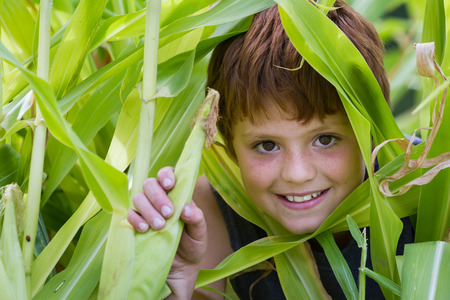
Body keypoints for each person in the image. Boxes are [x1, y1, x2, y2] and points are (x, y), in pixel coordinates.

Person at [127, 1, 413, 299]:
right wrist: (179, 281)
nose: (297, 174)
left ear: (373, 131)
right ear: (231, 147)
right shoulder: (208, 209)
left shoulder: (427, 186)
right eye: (266, 146)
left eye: (325, 139)